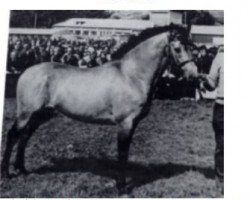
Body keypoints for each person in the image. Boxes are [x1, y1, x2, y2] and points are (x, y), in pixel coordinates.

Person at [199, 45, 224, 195]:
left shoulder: (221, 57)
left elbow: (211, 84)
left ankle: (221, 181)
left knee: (222, 145)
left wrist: (203, 83)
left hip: (223, 107)